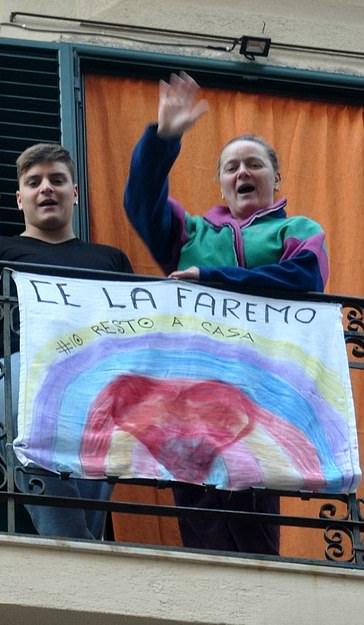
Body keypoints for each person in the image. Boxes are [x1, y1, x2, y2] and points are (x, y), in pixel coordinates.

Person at [122, 72, 329, 555]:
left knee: (256, 514)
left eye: (254, 164)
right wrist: (162, 138)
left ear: (276, 178)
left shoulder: (298, 229)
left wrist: (211, 278)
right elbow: (140, 202)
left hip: (264, 389)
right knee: (200, 518)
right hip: (194, 390)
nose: (242, 173)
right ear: (220, 183)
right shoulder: (191, 233)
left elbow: (303, 277)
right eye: (231, 167)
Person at [0, 143, 133, 540]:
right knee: (71, 522)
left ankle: (77, 553)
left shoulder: (111, 259)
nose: (46, 188)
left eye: (56, 180)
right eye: (34, 182)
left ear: (74, 193)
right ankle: (78, 551)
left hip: (93, 385)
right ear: (19, 199)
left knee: (87, 508)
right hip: (24, 378)